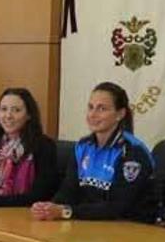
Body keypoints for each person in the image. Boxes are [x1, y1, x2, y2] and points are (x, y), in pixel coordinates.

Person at [31, 82, 154, 221]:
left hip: (126, 230)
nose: (93, 114)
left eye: (102, 109)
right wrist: (49, 207)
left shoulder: (133, 152)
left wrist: (67, 212)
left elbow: (118, 207)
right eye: (90, 107)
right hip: (86, 225)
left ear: (120, 114)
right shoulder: (83, 146)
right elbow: (68, 191)